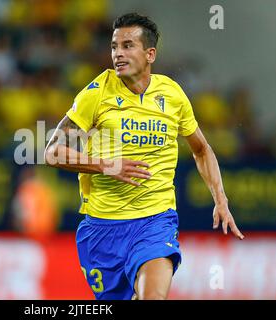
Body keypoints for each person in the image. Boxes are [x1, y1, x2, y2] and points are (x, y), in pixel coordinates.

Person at [44, 13, 244, 300]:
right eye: (114, 46)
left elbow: (201, 149)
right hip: (101, 229)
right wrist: (106, 166)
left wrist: (220, 199)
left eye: (127, 46)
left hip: (155, 221)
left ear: (150, 54)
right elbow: (52, 152)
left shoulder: (172, 94)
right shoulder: (96, 94)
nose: (118, 54)